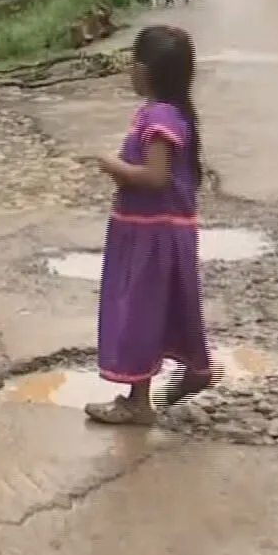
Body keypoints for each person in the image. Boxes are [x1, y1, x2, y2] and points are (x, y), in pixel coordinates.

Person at [86, 25, 214, 426]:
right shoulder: (169, 112)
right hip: (156, 230)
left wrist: (112, 165)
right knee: (167, 307)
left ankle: (138, 401)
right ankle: (194, 369)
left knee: (137, 311)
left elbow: (155, 177)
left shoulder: (160, 116)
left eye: (133, 63)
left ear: (144, 70)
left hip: (150, 234)